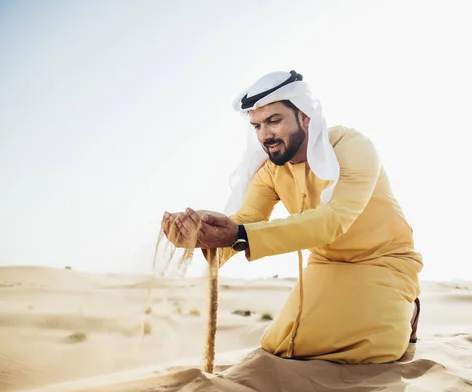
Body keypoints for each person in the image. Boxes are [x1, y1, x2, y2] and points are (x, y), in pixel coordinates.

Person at [161, 70, 423, 364]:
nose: (265, 135)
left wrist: (238, 234)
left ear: (305, 117)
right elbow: (246, 220)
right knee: (284, 345)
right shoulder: (271, 170)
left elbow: (333, 220)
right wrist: (201, 232)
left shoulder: (351, 147)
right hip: (325, 264)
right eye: (257, 125)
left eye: (274, 121)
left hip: (383, 260)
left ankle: (409, 310)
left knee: (368, 352)